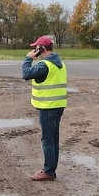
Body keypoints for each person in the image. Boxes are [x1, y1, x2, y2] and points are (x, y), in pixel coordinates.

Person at [21, 36, 67, 181]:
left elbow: (26, 74)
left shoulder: (44, 65)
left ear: (41, 48)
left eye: (36, 47)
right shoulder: (60, 63)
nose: (35, 49)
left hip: (47, 108)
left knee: (47, 140)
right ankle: (51, 170)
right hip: (58, 106)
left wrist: (28, 58)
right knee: (53, 140)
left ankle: (48, 171)